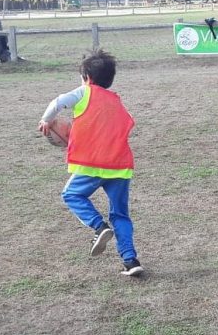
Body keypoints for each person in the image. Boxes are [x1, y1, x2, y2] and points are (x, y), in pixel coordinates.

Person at [38, 49, 144, 277]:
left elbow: (58, 102)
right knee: (121, 214)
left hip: (93, 163)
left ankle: (99, 226)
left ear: (86, 77)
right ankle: (130, 260)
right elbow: (124, 124)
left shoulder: (84, 92)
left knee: (71, 195)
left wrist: (46, 120)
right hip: (120, 165)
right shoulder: (116, 101)